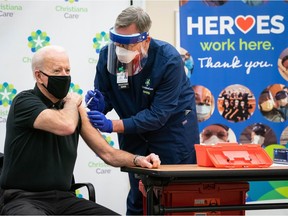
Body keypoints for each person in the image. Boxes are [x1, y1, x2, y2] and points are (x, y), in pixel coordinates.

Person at [0, 45, 161, 215]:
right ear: (39, 76)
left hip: (64, 199)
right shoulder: (24, 102)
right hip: (24, 198)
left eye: (67, 70)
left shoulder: (74, 110)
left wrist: (138, 159)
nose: (64, 76)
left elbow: (108, 153)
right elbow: (66, 126)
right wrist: (71, 102)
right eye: (57, 71)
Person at [85, 6, 199, 215]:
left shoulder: (168, 60)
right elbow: (107, 95)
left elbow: (158, 115)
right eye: (117, 42)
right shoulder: (107, 56)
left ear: (145, 40)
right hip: (135, 136)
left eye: (127, 44)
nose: (120, 49)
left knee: (174, 199)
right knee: (139, 198)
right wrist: (100, 104)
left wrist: (113, 125)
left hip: (172, 135)